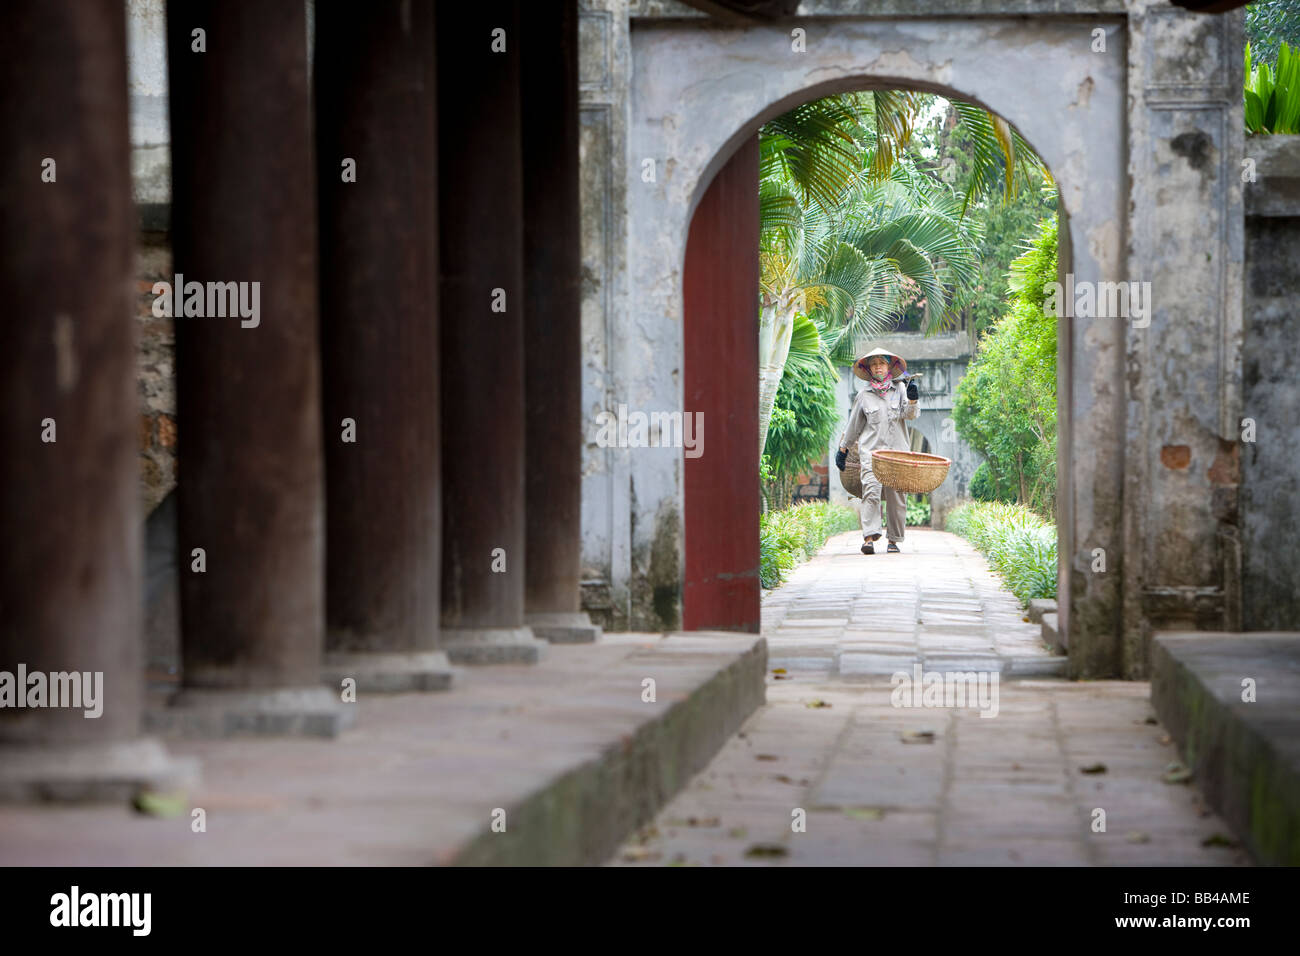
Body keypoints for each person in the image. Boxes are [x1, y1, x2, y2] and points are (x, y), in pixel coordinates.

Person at [834, 348, 919, 554]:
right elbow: (854, 425)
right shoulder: (864, 396)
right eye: (874, 364)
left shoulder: (900, 389)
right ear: (869, 370)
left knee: (897, 497)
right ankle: (869, 538)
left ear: (889, 366)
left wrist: (913, 399)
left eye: (882, 363)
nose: (878, 367)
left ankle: (893, 540)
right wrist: (843, 449)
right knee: (871, 493)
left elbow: (911, 415)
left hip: (897, 455)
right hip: (871, 454)